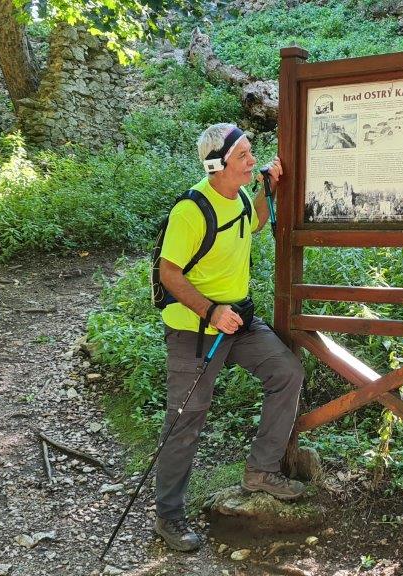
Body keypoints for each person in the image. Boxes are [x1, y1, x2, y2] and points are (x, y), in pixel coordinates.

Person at [153, 123, 308, 552]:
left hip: (238, 321)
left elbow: (253, 221)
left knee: (287, 372)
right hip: (194, 329)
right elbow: (169, 273)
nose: (252, 160)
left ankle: (261, 471)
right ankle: (169, 516)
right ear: (215, 166)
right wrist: (211, 311)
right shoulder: (191, 210)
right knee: (186, 419)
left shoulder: (237, 196)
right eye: (243, 156)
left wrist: (267, 188)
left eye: (250, 152)